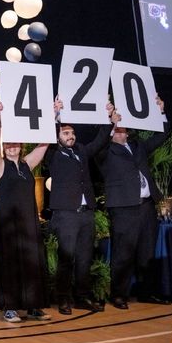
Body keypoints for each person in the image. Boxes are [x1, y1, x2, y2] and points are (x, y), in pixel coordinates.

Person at [45, 99, 119, 315]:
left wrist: (108, 120)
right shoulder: (52, 154)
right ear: (58, 136)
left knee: (85, 258)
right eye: (65, 133)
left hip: (86, 214)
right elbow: (45, 137)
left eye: (72, 132)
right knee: (66, 258)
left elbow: (100, 141)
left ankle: (81, 297)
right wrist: (54, 115)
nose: (70, 136)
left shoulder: (82, 151)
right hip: (66, 215)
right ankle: (63, 299)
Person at [97, 95, 170, 309]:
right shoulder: (104, 151)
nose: (123, 130)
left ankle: (148, 292)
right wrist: (109, 120)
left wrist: (160, 111)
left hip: (146, 206)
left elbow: (163, 134)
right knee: (123, 252)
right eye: (118, 128)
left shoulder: (138, 146)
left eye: (123, 127)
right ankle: (119, 294)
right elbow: (98, 144)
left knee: (147, 251)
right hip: (123, 208)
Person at [0, 101, 51, 323]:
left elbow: (45, 143)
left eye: (16, 142)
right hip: (8, 222)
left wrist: (53, 115)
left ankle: (34, 306)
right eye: (9, 143)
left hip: (28, 221)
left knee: (32, 261)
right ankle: (10, 308)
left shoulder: (27, 164)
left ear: (21, 144)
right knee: (11, 263)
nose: (12, 145)